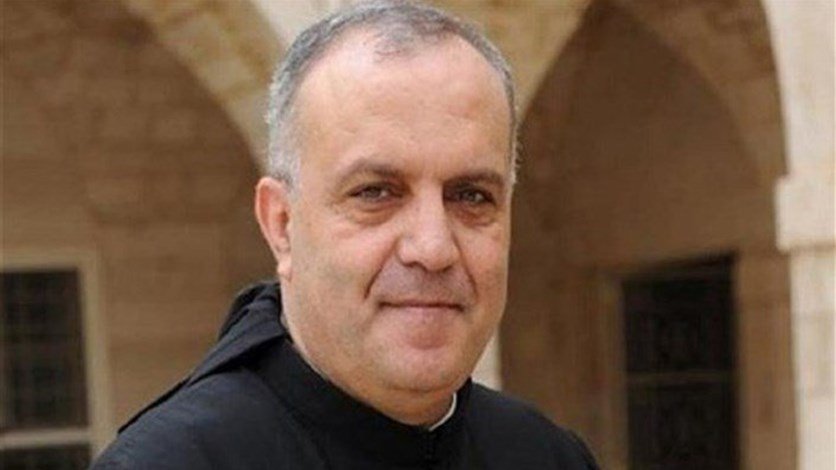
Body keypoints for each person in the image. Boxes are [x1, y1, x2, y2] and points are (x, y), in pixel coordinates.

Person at [92, 1, 599, 468]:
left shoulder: (547, 457)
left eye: (471, 196)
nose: (433, 248)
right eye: (376, 192)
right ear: (281, 224)